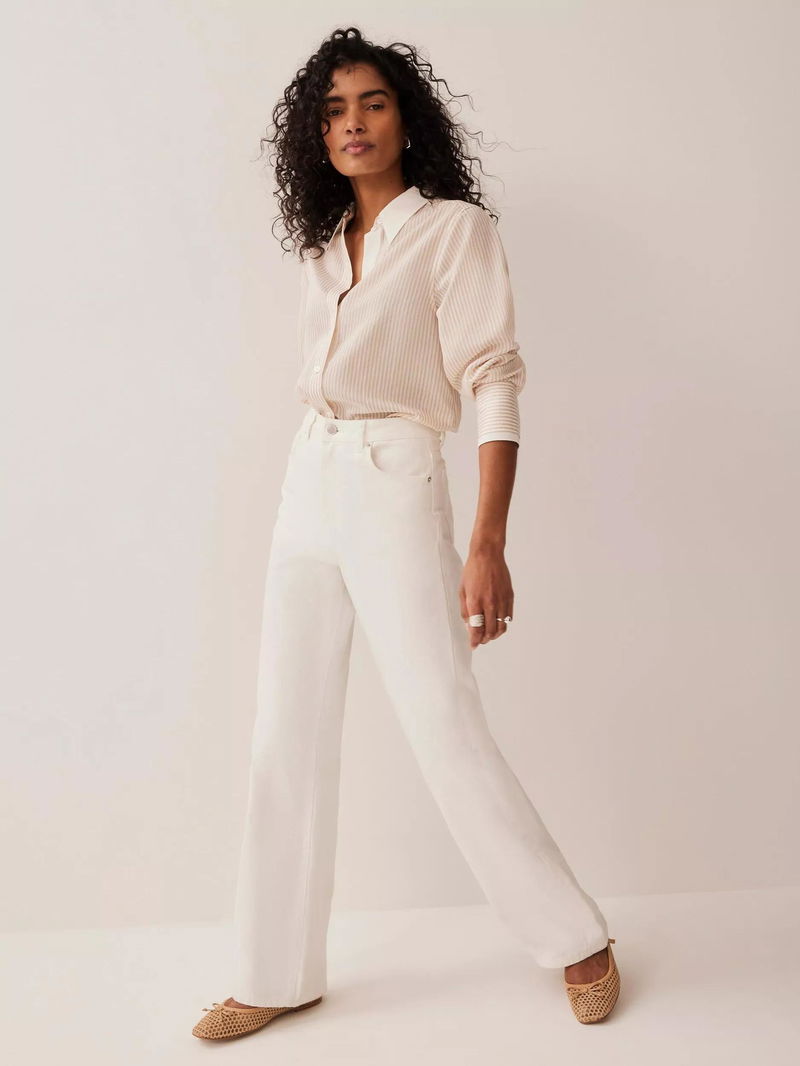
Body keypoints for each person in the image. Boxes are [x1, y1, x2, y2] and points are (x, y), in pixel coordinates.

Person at [192, 27, 621, 1040]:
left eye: (373, 103)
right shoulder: (320, 246)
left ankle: (576, 939)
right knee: (283, 730)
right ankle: (274, 971)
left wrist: (487, 541)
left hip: (395, 476)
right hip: (308, 477)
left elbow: (492, 378)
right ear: (317, 134)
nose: (354, 123)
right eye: (334, 110)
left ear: (406, 119)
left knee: (440, 720)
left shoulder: (453, 232)